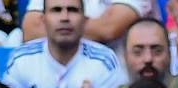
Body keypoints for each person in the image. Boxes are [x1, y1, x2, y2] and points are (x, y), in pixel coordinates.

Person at [22, 0, 150, 53]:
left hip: (116, 79)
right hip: (55, 73)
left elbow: (109, 28)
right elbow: (30, 30)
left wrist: (56, 26)